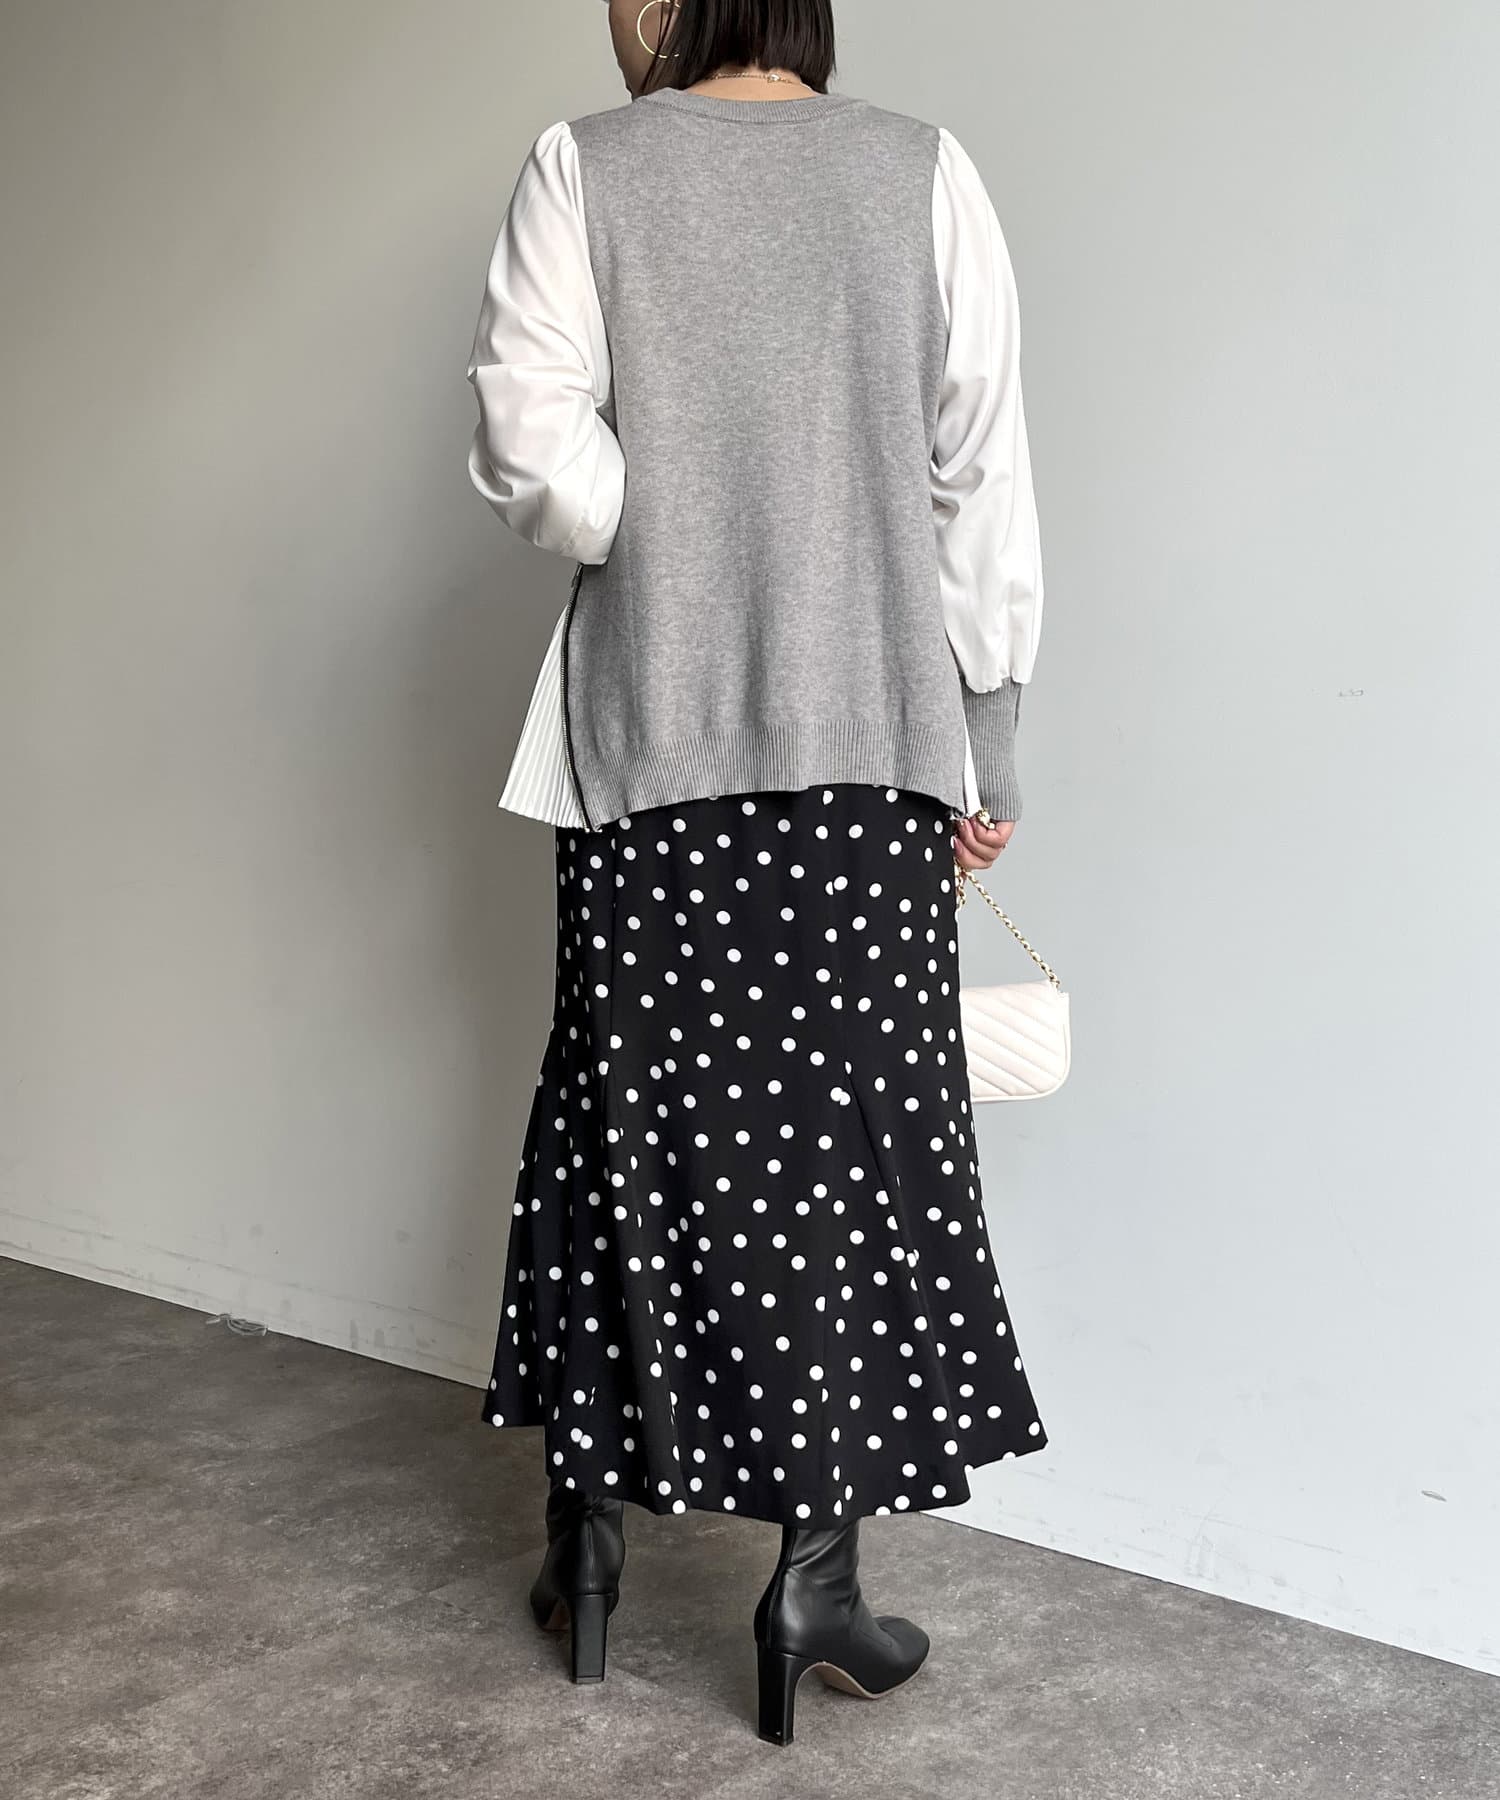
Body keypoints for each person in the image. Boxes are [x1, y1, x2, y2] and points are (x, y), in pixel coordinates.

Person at [464, 0, 1049, 1747]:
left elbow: (532, 450)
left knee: (622, 1127)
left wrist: (661, 511)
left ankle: (588, 1550)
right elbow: (980, 486)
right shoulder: (922, 173)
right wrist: (989, 741)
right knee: (854, 1153)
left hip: (655, 747)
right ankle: (814, 1588)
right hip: (872, 750)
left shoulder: (583, 166)